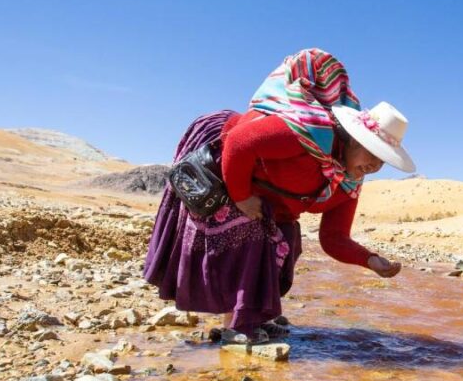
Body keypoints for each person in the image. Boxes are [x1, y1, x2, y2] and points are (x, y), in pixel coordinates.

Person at [143, 48, 416, 343]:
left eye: (382, 160)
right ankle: (237, 326)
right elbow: (238, 143)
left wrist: (370, 260)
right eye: (371, 152)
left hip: (267, 197)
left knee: (286, 238)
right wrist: (241, 197)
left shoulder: (348, 183)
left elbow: (334, 238)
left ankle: (255, 317)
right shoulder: (309, 133)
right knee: (251, 233)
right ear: (352, 139)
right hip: (225, 169)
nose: (374, 166)